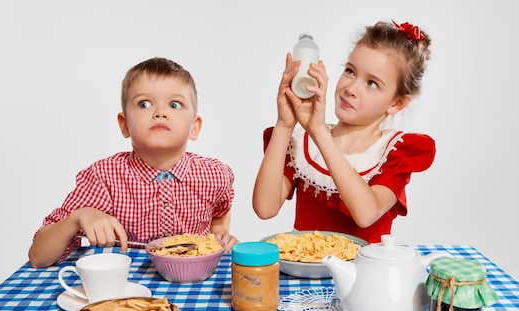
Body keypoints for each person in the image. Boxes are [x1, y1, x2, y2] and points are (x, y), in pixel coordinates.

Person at [29, 57, 237, 268]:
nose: (160, 113)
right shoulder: (103, 177)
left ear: (194, 127)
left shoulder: (215, 174)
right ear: (124, 124)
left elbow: (221, 209)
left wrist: (220, 229)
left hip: (195, 284)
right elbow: (38, 256)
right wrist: (76, 218)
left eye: (175, 104)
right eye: (144, 104)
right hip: (127, 288)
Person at [253, 21, 436, 243]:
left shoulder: (394, 152)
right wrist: (284, 124)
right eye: (350, 71)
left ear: (397, 103)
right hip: (304, 273)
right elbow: (265, 208)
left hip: (364, 275)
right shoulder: (303, 143)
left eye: (372, 83)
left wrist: (319, 131)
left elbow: (366, 214)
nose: (351, 89)